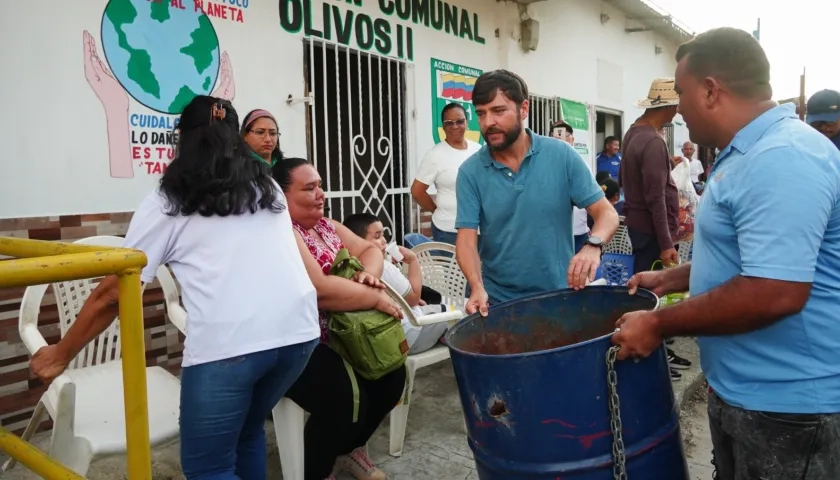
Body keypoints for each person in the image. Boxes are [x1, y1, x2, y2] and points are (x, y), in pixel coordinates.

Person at [27, 96, 393, 480]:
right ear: (236, 139)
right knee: (246, 432)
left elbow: (117, 291)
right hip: (296, 338)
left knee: (207, 466)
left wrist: (59, 353)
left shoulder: (169, 199)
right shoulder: (266, 188)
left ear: (183, 139)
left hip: (233, 345)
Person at [614, 27, 840, 480]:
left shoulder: (783, 156)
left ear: (711, 90)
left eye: (682, 93)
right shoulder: (743, 153)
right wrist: (671, 279)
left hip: (788, 409)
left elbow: (773, 291)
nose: (678, 107)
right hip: (743, 393)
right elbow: (750, 257)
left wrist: (657, 324)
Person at [274, 158, 405, 480]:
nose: (321, 194)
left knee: (392, 378)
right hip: (304, 339)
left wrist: (366, 278)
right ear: (281, 196)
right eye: (309, 188)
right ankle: (316, 471)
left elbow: (371, 251)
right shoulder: (281, 233)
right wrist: (374, 296)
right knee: (343, 398)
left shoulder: (327, 227)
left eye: (319, 185)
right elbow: (320, 290)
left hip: (351, 330)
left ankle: (349, 449)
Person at [455, 69, 620, 315]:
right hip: (499, 304)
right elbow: (466, 241)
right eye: (481, 113)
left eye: (499, 111)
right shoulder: (470, 172)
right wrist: (477, 286)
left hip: (560, 297)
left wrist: (592, 245)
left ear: (523, 109)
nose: (489, 122)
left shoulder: (561, 156)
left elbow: (607, 214)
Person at [343, 213, 451, 354]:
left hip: (378, 339)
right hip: (407, 335)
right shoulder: (382, 266)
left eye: (383, 236)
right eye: (376, 236)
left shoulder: (346, 266)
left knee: (433, 306)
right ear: (357, 241)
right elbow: (413, 299)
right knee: (459, 313)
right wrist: (412, 261)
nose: (383, 241)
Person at [619, 78, 680, 274]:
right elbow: (655, 197)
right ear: (668, 107)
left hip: (638, 226)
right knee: (652, 289)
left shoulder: (633, 132)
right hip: (651, 231)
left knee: (642, 279)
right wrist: (666, 244)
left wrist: (667, 164)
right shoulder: (653, 140)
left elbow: (627, 176)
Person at [411, 103, 482, 245]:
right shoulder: (435, 155)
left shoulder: (478, 150)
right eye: (449, 123)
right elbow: (417, 191)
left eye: (460, 121)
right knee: (454, 268)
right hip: (449, 230)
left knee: (478, 267)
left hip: (478, 228)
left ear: (467, 123)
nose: (455, 126)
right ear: (443, 127)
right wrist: (437, 210)